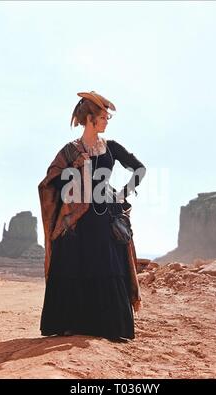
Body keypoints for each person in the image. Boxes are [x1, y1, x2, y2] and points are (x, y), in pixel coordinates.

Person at [38, 91, 146, 341]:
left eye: (107, 116)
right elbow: (50, 181)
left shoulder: (111, 147)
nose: (107, 120)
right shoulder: (70, 151)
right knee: (73, 264)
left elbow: (139, 168)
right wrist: (76, 171)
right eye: (103, 116)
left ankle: (111, 327)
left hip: (105, 215)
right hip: (76, 219)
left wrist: (122, 194)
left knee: (107, 265)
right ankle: (69, 324)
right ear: (89, 119)